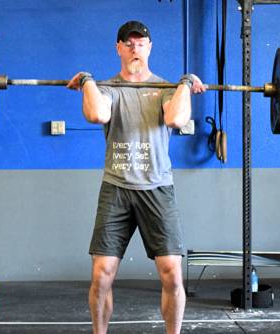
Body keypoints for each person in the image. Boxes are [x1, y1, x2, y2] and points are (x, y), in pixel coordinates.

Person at [67, 20, 205, 334]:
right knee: (102, 274)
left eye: (140, 43)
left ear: (149, 47)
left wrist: (184, 84)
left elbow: (177, 118)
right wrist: (88, 81)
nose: (134, 48)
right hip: (116, 188)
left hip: (157, 189)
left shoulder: (166, 89)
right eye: (128, 43)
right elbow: (97, 114)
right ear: (118, 48)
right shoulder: (107, 89)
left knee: (172, 272)